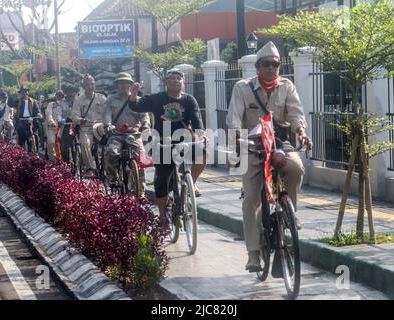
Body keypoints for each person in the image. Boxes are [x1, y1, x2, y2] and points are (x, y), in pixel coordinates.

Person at [226, 41, 312, 272]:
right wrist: (236, 137)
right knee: (251, 198)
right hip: (252, 145)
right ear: (257, 66)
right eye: (266, 64)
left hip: (280, 143)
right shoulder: (242, 88)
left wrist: (301, 132)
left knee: (296, 169)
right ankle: (253, 254)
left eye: (275, 64)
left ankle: (288, 211)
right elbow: (234, 118)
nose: (271, 68)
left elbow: (296, 114)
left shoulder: (287, 86)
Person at [129, 69, 207, 219]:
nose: (176, 81)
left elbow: (197, 121)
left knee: (202, 153)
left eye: (179, 78)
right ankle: (163, 216)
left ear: (183, 82)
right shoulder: (157, 98)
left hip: (184, 140)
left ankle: (193, 182)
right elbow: (136, 106)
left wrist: (201, 136)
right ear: (165, 82)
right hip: (162, 142)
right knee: (162, 181)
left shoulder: (189, 100)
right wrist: (133, 94)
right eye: (172, 78)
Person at [99, 72, 150, 194]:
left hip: (134, 135)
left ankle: (141, 191)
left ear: (131, 85)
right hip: (116, 134)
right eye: (121, 83)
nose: (124, 85)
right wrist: (108, 125)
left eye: (127, 83)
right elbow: (106, 114)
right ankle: (113, 178)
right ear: (117, 85)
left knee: (141, 159)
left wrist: (145, 125)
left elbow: (145, 116)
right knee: (111, 153)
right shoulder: (110, 100)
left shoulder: (138, 100)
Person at [72, 74, 106, 177]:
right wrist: (80, 120)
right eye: (87, 84)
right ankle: (91, 168)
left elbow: (109, 112)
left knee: (112, 143)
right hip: (86, 128)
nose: (90, 86)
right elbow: (74, 116)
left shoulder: (102, 98)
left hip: (100, 127)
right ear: (83, 86)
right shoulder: (78, 100)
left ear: (94, 85)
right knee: (84, 143)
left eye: (91, 84)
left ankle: (111, 169)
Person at [14, 85, 41, 153]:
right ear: (21, 93)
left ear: (28, 92)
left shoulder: (33, 101)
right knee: (22, 137)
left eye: (25, 91)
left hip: (31, 120)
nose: (24, 93)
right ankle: (22, 152)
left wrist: (39, 114)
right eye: (22, 92)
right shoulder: (18, 101)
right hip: (22, 120)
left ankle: (35, 152)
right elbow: (11, 103)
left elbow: (37, 110)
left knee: (34, 136)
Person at [46, 90, 69, 161]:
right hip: (53, 126)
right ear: (56, 97)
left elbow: (71, 114)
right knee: (51, 142)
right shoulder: (51, 104)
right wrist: (52, 122)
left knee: (67, 143)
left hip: (64, 127)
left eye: (62, 96)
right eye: (59, 96)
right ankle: (52, 160)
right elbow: (48, 114)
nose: (60, 98)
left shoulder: (66, 105)